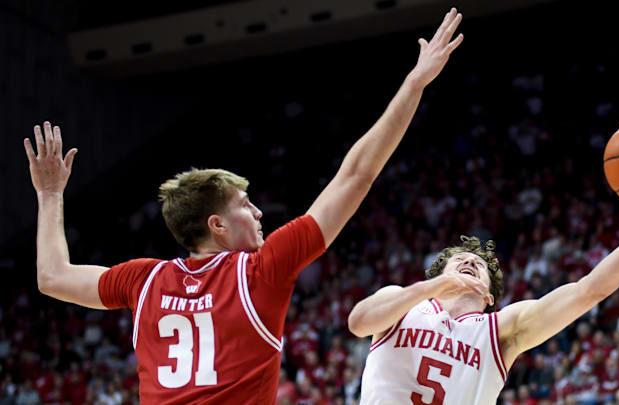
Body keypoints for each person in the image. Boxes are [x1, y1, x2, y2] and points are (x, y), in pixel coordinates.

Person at [23, 8, 465, 404]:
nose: (258, 213)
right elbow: (357, 174)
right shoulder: (261, 269)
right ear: (216, 224)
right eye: (245, 204)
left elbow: (52, 277)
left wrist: (48, 194)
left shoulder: (144, 280)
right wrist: (415, 83)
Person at [349, 164, 619, 404]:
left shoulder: (500, 330)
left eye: (479, 266)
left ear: (488, 296)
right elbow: (358, 323)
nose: (470, 261)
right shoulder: (402, 303)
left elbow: (589, 290)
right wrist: (431, 288)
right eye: (460, 260)